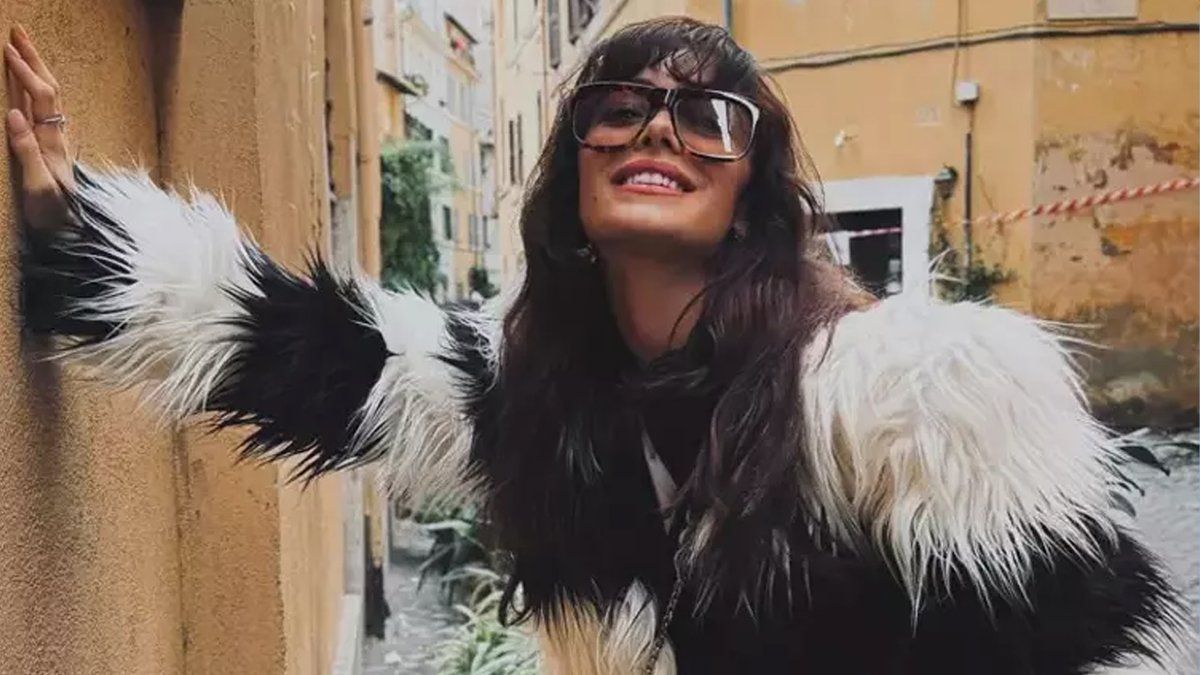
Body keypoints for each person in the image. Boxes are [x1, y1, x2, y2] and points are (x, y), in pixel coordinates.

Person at [7, 18, 1185, 675]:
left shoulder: (916, 398)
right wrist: (78, 232)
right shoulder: (534, 396)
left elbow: (1074, 648)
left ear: (752, 185)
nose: (657, 125)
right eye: (616, 106)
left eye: (708, 114)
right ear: (574, 167)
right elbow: (300, 351)